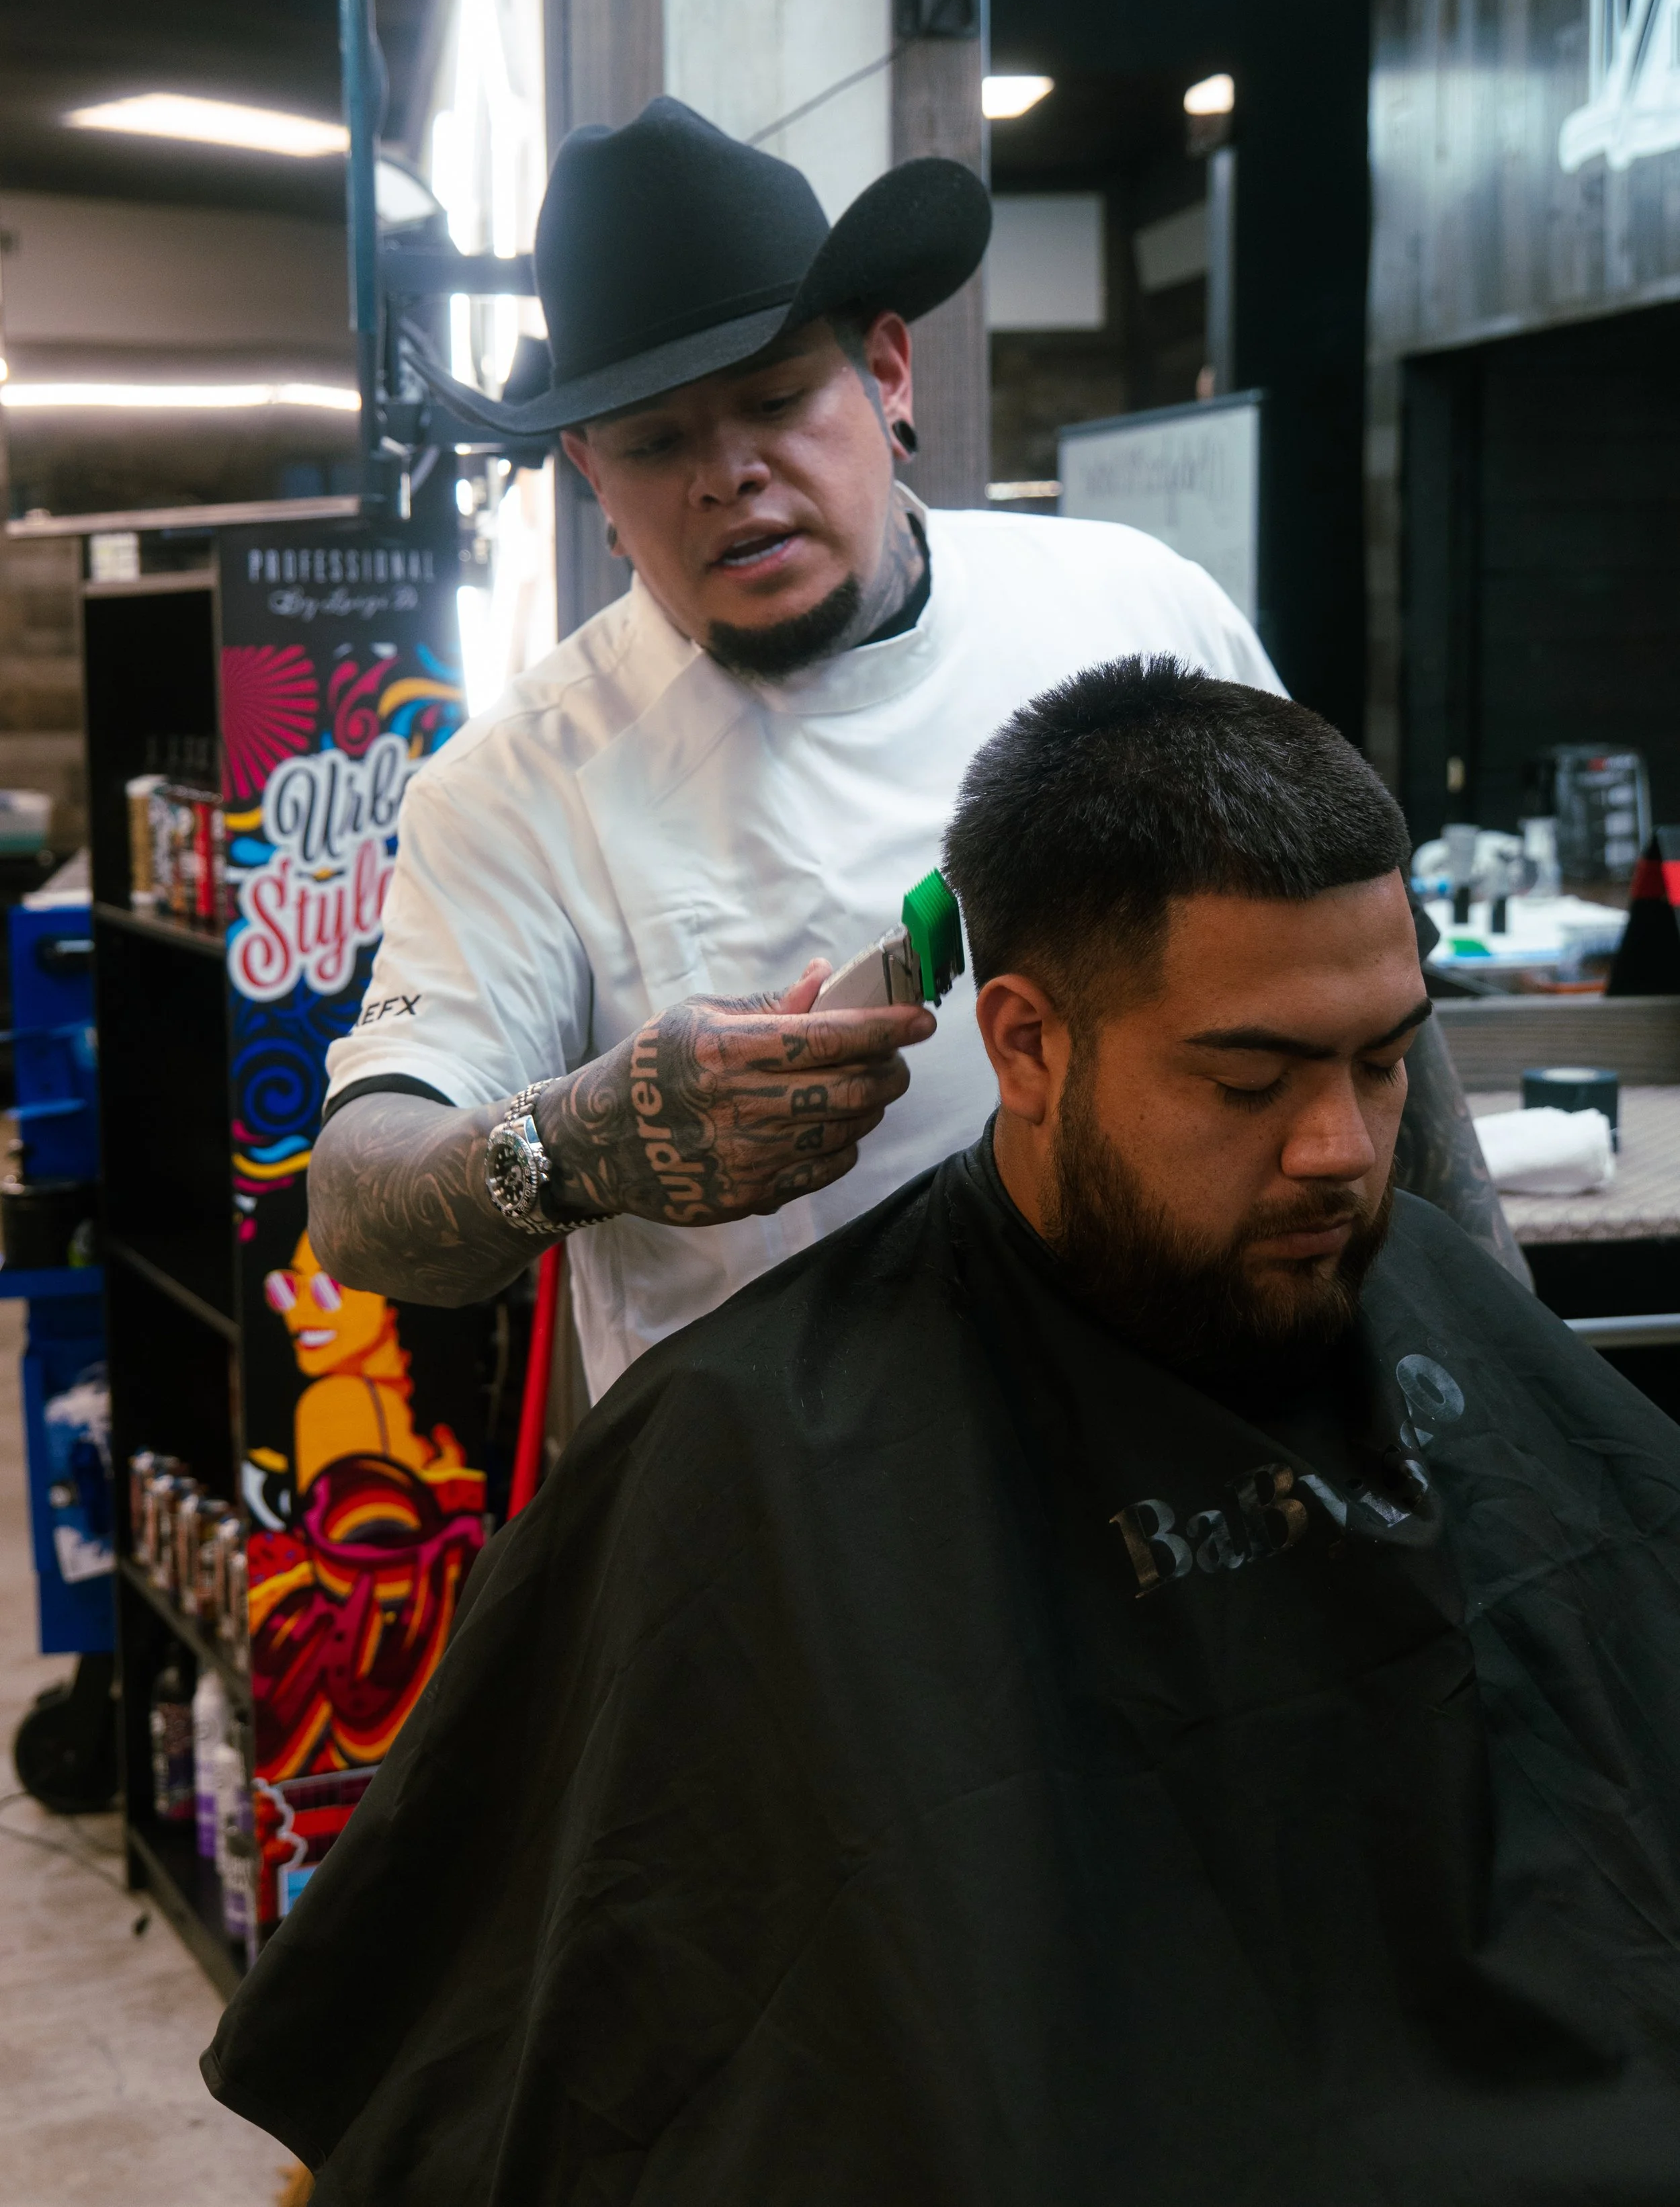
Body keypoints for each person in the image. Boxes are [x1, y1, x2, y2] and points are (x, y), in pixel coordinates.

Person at [206, 659, 1680, 2205]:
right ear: (1024, 1045)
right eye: (1247, 1079)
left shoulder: (1425, 1296)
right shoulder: (743, 1455)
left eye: (1381, 1062)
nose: (1338, 1153)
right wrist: (577, 1139)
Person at [309, 95, 1285, 1399]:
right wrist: (585, 1144)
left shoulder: (1131, 608)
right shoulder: (521, 783)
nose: (724, 475)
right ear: (594, 482)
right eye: (654, 443)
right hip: (784, 1526)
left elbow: (1364, 992)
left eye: (772, 399)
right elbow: (360, 1203)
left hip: (1184, 1419)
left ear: (886, 373)